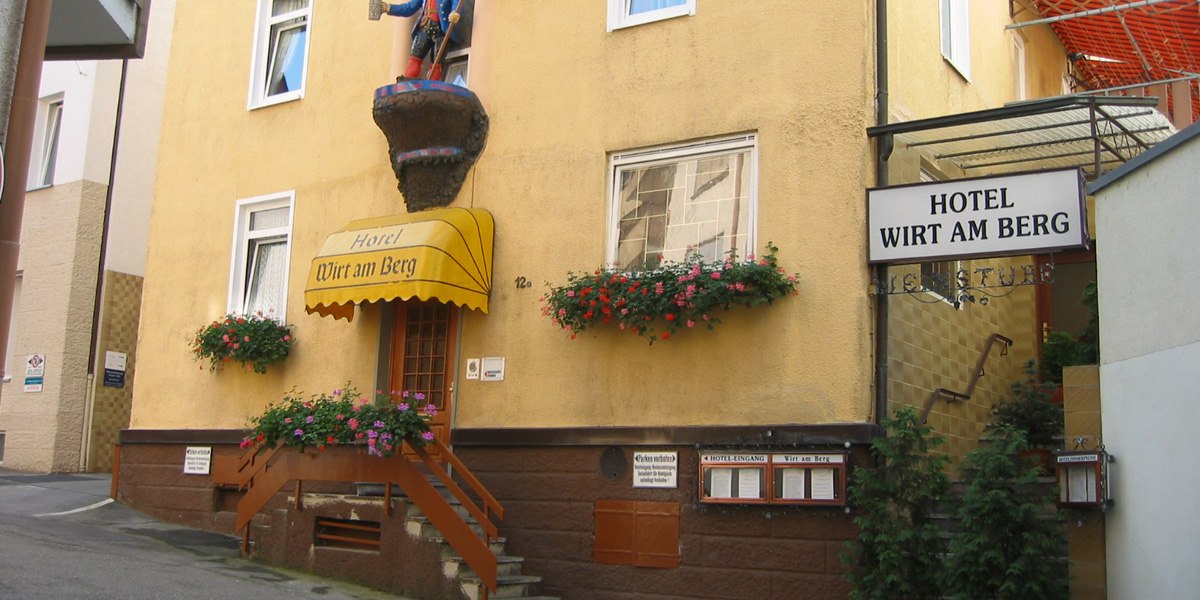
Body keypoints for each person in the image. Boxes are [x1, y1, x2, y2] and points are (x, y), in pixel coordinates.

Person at [378, 0, 461, 81]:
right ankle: (409, 80)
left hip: (440, 30)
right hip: (425, 27)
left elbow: (456, 4)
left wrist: (455, 13)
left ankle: (432, 84)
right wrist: (390, 8)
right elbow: (409, 7)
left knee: (437, 61)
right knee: (415, 55)